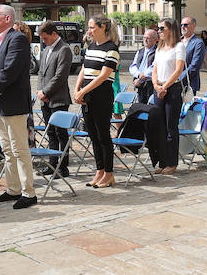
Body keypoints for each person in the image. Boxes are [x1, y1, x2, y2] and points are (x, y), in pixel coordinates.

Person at [0, 4, 37, 209]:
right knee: (7, 149)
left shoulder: (17, 39)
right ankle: (13, 189)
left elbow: (10, 71)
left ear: (7, 19)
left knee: (20, 149)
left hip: (12, 103)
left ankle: (28, 192)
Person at [75, 15, 120, 188]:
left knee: (103, 136)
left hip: (101, 96)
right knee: (93, 135)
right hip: (87, 96)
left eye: (92, 27)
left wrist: (83, 91)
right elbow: (84, 69)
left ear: (102, 27)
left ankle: (108, 173)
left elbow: (104, 76)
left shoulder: (112, 48)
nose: (89, 31)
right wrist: (77, 89)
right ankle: (99, 170)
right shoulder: (92, 46)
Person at [36, 22, 73, 178]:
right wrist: (40, 91)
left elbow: (60, 76)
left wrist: (46, 91)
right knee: (50, 132)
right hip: (45, 99)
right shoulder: (46, 50)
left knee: (60, 133)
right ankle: (52, 164)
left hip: (58, 98)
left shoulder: (64, 49)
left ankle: (63, 167)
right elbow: (41, 73)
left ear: (53, 34)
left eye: (45, 38)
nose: (43, 41)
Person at [152, 18, 186, 175]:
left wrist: (165, 87)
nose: (159, 31)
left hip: (172, 89)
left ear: (171, 30)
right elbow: (155, 69)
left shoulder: (179, 46)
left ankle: (172, 162)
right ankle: (162, 160)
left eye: (161, 28)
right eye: (158, 28)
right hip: (159, 88)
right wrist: (156, 86)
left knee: (170, 126)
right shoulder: (159, 48)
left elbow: (178, 70)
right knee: (159, 127)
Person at [129, 28, 157, 101]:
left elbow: (154, 68)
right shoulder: (140, 51)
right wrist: (138, 75)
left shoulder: (158, 51)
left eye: (148, 38)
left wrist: (140, 79)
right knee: (140, 106)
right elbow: (133, 66)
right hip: (139, 85)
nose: (145, 40)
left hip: (150, 85)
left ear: (155, 39)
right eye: (144, 37)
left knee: (150, 108)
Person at [181, 17, 206, 95]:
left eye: (185, 25)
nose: (182, 27)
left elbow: (194, 66)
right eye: (181, 25)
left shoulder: (198, 43)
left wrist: (179, 78)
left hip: (188, 84)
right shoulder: (178, 41)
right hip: (173, 83)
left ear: (193, 26)